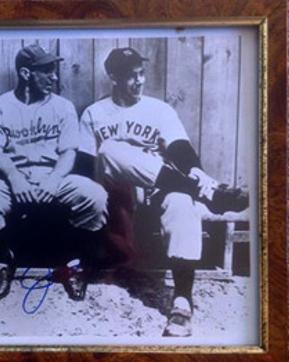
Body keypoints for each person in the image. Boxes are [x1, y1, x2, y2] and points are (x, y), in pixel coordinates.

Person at [79, 47, 249, 337]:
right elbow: (84, 166)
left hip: (155, 191)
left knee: (183, 203)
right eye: (131, 76)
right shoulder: (94, 113)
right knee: (111, 150)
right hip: (114, 196)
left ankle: (182, 301)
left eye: (141, 73)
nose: (140, 81)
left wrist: (198, 175)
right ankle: (204, 193)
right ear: (113, 77)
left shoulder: (158, 109)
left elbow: (182, 152)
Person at [0, 44, 108, 301]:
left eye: (54, 71)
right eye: (47, 71)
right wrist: (16, 178)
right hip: (9, 178)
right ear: (26, 74)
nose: (54, 77)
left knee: (94, 197)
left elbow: (68, 153)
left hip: (53, 175)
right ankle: (1, 263)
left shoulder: (62, 106)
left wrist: (53, 181)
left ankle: (74, 264)